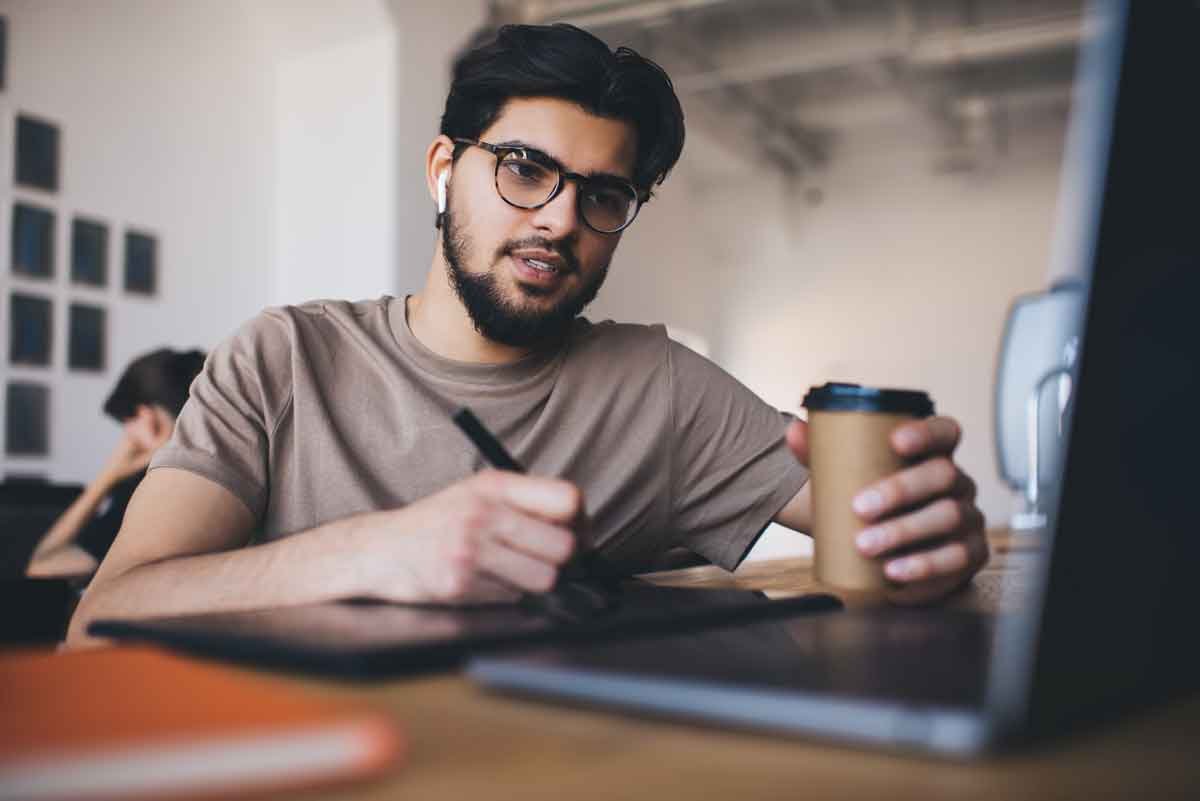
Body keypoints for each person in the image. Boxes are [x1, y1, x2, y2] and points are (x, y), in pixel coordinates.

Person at [68, 24, 987, 644]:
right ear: (443, 171)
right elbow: (100, 618)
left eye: (603, 194)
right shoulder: (284, 359)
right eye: (522, 169)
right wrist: (372, 552)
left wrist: (929, 528)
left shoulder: (658, 386)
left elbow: (877, 536)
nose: (558, 219)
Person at [26, 348, 206, 579]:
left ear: (146, 417)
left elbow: (43, 564)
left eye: (126, 424)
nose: (127, 437)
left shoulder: (145, 492)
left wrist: (107, 477)